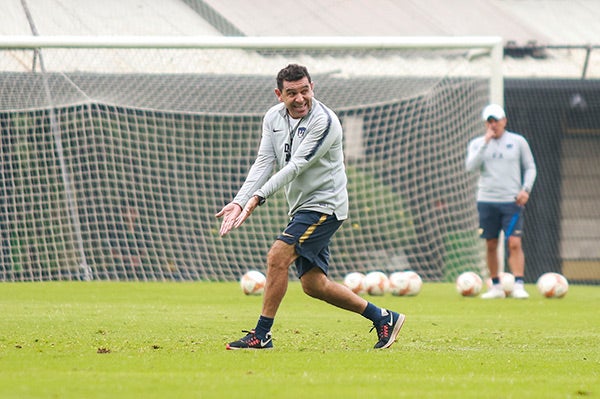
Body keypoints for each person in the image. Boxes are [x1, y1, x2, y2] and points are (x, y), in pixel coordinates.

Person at [216, 64, 405, 349]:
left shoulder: (325, 121)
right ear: (279, 94)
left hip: (325, 206)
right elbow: (264, 161)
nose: (300, 98)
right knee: (314, 285)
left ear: (312, 87)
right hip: (302, 207)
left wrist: (257, 199)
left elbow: (296, 166)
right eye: (292, 93)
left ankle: (261, 334)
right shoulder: (273, 118)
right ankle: (383, 317)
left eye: (305, 90)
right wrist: (239, 200)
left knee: (277, 256)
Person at [465, 104, 537, 299]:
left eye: (496, 120)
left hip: (511, 201)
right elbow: (470, 166)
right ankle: (495, 286)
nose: (493, 124)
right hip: (487, 200)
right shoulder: (478, 143)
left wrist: (526, 189)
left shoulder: (517, 142)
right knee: (491, 243)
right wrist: (485, 143)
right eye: (489, 121)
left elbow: (530, 167)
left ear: (504, 120)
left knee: (514, 242)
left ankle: (519, 284)